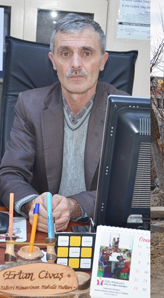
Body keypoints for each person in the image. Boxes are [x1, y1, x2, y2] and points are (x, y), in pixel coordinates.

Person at [0, 13, 127, 232]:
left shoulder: (125, 111)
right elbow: (10, 174)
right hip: (39, 231)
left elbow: (125, 188)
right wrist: (33, 205)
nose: (76, 64)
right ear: (53, 62)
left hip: (96, 228)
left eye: (86, 53)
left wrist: (75, 206)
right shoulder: (29, 105)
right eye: (65, 53)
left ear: (103, 61)